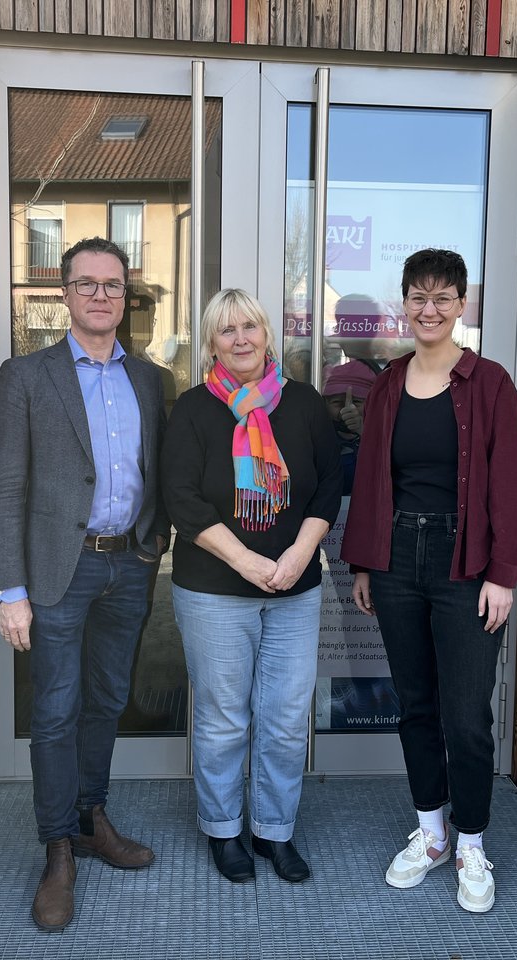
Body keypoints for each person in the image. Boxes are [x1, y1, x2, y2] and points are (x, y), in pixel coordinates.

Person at [0, 236, 170, 932]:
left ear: (126, 296)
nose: (100, 295)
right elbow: (5, 489)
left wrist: (153, 545)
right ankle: (58, 847)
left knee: (109, 699)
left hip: (130, 564)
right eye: (86, 283)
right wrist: (11, 591)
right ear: (64, 294)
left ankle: (92, 818)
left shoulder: (149, 379)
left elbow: (157, 471)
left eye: (112, 284)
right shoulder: (27, 376)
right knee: (57, 709)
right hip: (59, 570)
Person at [340, 249, 517, 915]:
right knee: (416, 705)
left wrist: (503, 574)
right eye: (418, 297)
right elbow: (372, 478)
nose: (429, 309)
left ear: (460, 305)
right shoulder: (388, 383)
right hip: (397, 559)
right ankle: (432, 834)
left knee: (467, 715)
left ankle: (472, 842)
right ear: (405, 304)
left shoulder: (490, 384)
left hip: (464, 563)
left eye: (442, 297)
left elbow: (511, 485)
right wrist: (366, 562)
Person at [162, 288, 342, 885]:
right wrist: (245, 561)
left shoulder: (305, 404)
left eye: (250, 327)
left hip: (295, 587)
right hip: (213, 590)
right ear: (211, 343)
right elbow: (181, 499)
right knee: (223, 719)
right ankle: (223, 829)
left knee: (286, 718)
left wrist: (298, 554)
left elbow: (327, 486)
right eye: (226, 329)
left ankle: (274, 830)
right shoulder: (193, 409)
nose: (240, 339)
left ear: (268, 335)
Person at [321, 359, 376, 496]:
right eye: (337, 402)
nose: (347, 409)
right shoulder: (317, 438)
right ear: (324, 403)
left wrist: (363, 432)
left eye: (356, 402)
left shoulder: (385, 436)